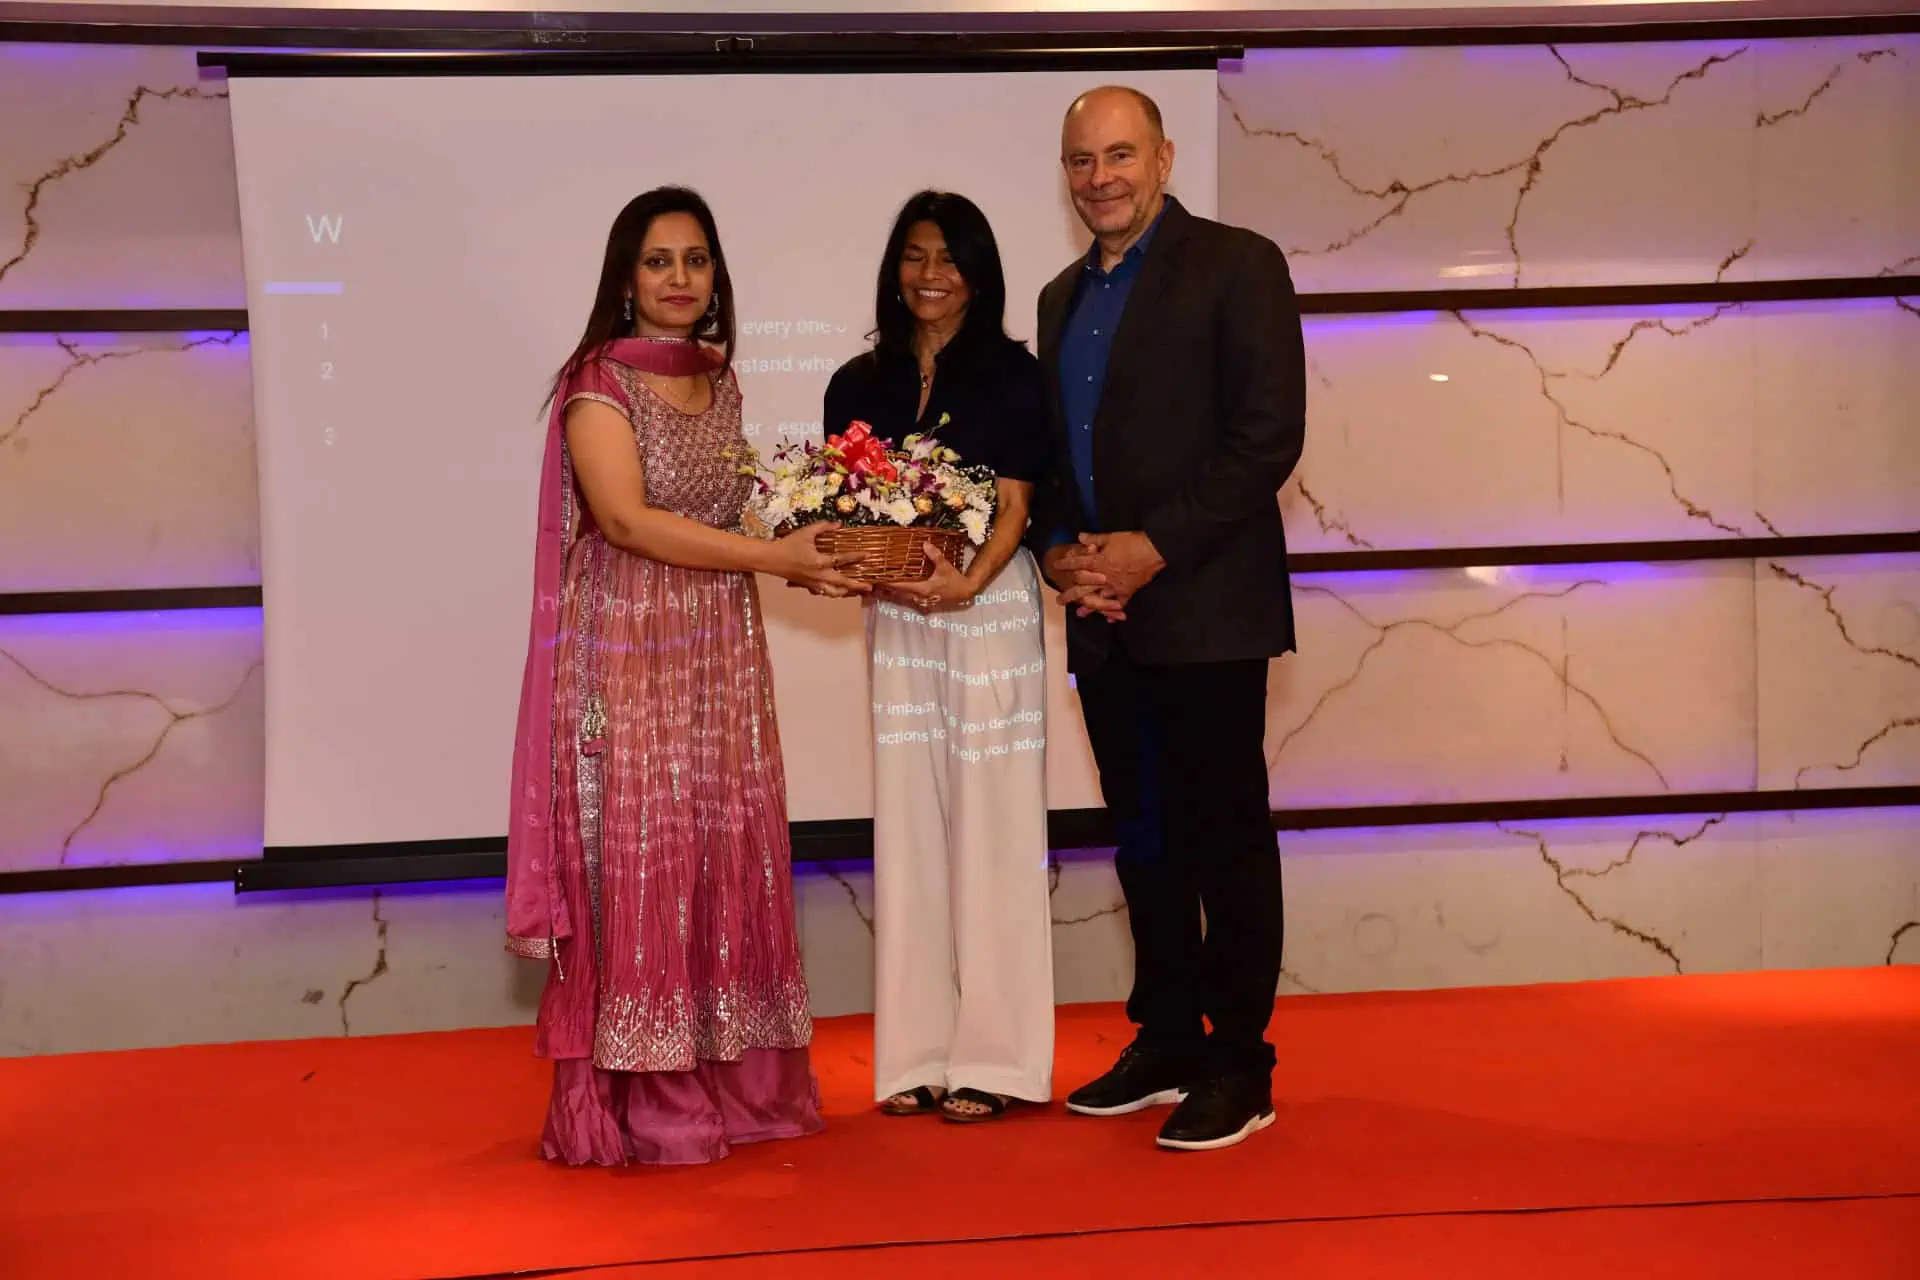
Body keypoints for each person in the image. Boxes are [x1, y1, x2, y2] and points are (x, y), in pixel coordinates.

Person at [503, 186, 872, 1166]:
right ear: (627, 278)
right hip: (629, 648)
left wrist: (812, 545)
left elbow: (728, 513)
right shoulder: (598, 382)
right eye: (659, 260)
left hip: (716, 647)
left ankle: (732, 1087)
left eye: (695, 259)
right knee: (649, 853)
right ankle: (647, 1102)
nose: (679, 278)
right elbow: (627, 520)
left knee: (720, 844)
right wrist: (773, 560)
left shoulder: (719, 377)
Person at [1032, 88, 1306, 1151]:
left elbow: (1267, 435)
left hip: (1209, 609)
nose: (1100, 177)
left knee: (1223, 839)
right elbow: (1060, 455)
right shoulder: (1060, 297)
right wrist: (1062, 550)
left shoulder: (1239, 264)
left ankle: (1240, 1062)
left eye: (1119, 155)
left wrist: (1153, 547)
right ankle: (1167, 1038)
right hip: (1105, 618)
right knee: (1144, 843)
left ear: (1164, 157)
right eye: (1081, 160)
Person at [818, 191, 1054, 1123]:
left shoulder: (1015, 375)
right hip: (901, 618)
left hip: (987, 611)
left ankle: (999, 1061)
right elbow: (843, 512)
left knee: (996, 826)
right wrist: (842, 567)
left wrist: (970, 582)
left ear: (980, 273)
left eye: (950, 258)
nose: (931, 274)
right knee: (909, 825)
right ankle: (915, 1055)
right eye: (916, 255)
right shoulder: (856, 382)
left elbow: (1016, 508)